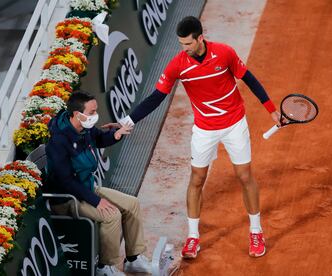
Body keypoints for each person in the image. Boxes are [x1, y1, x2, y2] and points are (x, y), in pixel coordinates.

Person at [119, 16, 280, 259]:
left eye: (188, 44)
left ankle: (256, 231)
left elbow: (249, 78)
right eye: (181, 44)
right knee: (197, 178)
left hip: (234, 123)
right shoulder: (178, 65)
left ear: (200, 38)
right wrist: (127, 122)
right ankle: (193, 237)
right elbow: (156, 98)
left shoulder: (224, 53)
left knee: (244, 175)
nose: (184, 49)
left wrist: (271, 109)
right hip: (204, 129)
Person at [45, 91, 152, 276]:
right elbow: (66, 181)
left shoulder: (84, 129)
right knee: (112, 215)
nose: (95, 115)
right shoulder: (58, 141)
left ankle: (134, 259)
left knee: (131, 204)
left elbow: (100, 138)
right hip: (68, 198)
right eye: (92, 112)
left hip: (86, 188)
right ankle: (105, 267)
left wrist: (116, 134)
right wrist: (96, 201)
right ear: (78, 114)